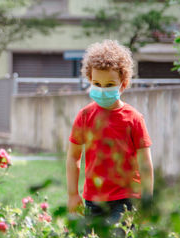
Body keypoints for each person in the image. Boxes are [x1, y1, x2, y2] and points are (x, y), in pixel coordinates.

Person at [66, 39, 154, 227]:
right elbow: (73, 156)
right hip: (93, 200)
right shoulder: (84, 116)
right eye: (97, 83)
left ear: (123, 84)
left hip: (126, 199)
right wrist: (73, 194)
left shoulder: (134, 119)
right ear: (89, 80)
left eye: (109, 85)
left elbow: (145, 163)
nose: (102, 89)